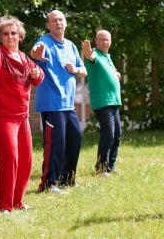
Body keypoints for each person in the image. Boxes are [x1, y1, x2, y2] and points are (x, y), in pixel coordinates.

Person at [0, 16, 44, 214]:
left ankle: (17, 201)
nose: (10, 36)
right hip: (2, 116)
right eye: (5, 33)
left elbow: (37, 74)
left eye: (13, 33)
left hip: (23, 116)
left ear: (20, 36)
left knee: (26, 160)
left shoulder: (24, 58)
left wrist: (37, 73)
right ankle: (4, 205)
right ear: (0, 37)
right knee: (9, 158)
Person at [31, 10, 87, 193]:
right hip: (51, 102)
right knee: (55, 143)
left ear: (66, 23)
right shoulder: (43, 42)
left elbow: (84, 70)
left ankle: (67, 179)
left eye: (61, 20)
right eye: (54, 21)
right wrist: (37, 56)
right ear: (48, 25)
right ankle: (49, 183)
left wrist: (76, 69)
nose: (58, 23)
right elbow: (35, 54)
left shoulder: (70, 46)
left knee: (75, 139)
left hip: (68, 103)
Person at [82, 30, 122, 176]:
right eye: (101, 39)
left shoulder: (107, 57)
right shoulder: (96, 55)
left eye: (107, 40)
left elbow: (112, 73)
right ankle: (100, 168)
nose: (104, 42)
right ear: (96, 41)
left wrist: (116, 74)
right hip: (103, 101)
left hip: (114, 101)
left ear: (110, 42)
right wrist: (87, 52)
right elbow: (91, 56)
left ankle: (110, 166)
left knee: (117, 135)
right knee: (109, 135)